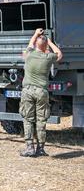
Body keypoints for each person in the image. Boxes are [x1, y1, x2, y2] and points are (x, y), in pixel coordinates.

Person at [20, 28, 63, 157]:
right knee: (41, 120)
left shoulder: (29, 54)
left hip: (27, 91)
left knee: (28, 119)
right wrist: (49, 41)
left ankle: (29, 147)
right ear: (45, 46)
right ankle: (41, 148)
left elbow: (30, 44)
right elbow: (59, 54)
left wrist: (35, 34)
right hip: (41, 92)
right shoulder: (48, 57)